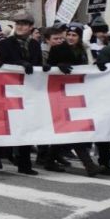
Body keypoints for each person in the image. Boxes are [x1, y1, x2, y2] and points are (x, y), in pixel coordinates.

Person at [44, 23, 101, 177]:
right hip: (61, 93)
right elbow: (47, 68)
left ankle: (49, 160)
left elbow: (88, 67)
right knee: (73, 130)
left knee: (68, 130)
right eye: (68, 34)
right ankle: (89, 165)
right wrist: (58, 67)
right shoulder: (58, 49)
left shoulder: (85, 50)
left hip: (78, 93)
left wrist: (97, 66)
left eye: (74, 35)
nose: (70, 37)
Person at [0, 12, 40, 175]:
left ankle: (24, 164)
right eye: (18, 23)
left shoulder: (34, 44)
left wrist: (46, 68)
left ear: (31, 27)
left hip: (26, 91)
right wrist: (18, 64)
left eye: (24, 24)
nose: (20, 26)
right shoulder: (6, 43)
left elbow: (37, 65)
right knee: (6, 125)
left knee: (25, 127)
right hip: (8, 91)